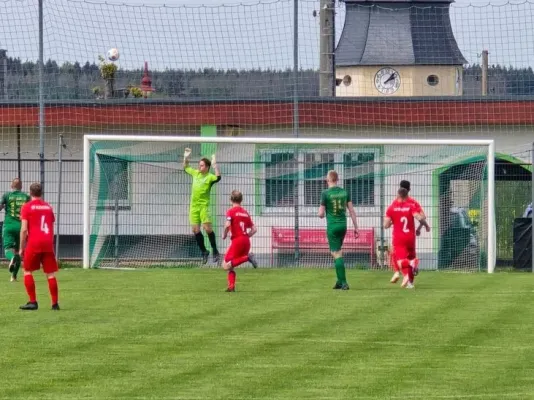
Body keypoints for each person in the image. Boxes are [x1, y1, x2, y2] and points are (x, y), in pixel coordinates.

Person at [19, 182, 60, 310]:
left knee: (27, 270)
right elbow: (51, 222)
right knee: (50, 273)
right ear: (41, 193)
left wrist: (21, 247)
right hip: (47, 242)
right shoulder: (48, 207)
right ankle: (54, 304)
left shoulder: (27, 207)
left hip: (34, 242)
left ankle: (33, 302)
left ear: (30, 193)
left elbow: (24, 229)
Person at [318, 170, 359, 290]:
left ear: (328, 180)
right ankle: (339, 281)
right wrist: (356, 227)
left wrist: (320, 214)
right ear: (337, 179)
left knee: (336, 253)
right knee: (336, 252)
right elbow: (351, 211)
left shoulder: (325, 193)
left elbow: (321, 213)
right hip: (343, 226)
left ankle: (344, 282)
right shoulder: (344, 192)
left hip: (333, 227)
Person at [384, 186, 429, 289]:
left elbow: (385, 225)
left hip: (399, 238)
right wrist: (425, 225)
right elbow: (420, 217)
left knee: (400, 260)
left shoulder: (391, 208)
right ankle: (410, 283)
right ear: (406, 194)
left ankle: (407, 270)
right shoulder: (411, 205)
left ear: (398, 195)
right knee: (411, 256)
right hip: (410, 237)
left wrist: (392, 221)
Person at [183, 147, 221, 264]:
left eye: (202, 165)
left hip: (203, 207)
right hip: (193, 207)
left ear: (207, 167)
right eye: (199, 165)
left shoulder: (209, 177)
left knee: (207, 228)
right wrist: (186, 157)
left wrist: (215, 165)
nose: (200, 167)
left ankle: (215, 250)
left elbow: (218, 177)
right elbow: (185, 167)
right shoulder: (195, 173)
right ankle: (204, 251)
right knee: (195, 230)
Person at [221, 190, 258, 292]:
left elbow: (228, 225)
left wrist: (224, 235)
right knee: (230, 265)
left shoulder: (231, 211)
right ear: (241, 200)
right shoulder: (245, 213)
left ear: (231, 199)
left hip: (237, 241)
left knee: (225, 265)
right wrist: (245, 236)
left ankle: (247, 258)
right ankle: (231, 287)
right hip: (246, 241)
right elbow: (254, 229)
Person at [0, 178, 31, 282]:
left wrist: (3, 206)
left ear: (11, 186)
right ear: (21, 187)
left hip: (8, 225)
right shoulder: (26, 197)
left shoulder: (6, 195)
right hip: (21, 227)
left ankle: (11, 258)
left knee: (8, 250)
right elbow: (30, 210)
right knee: (19, 252)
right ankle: (13, 276)